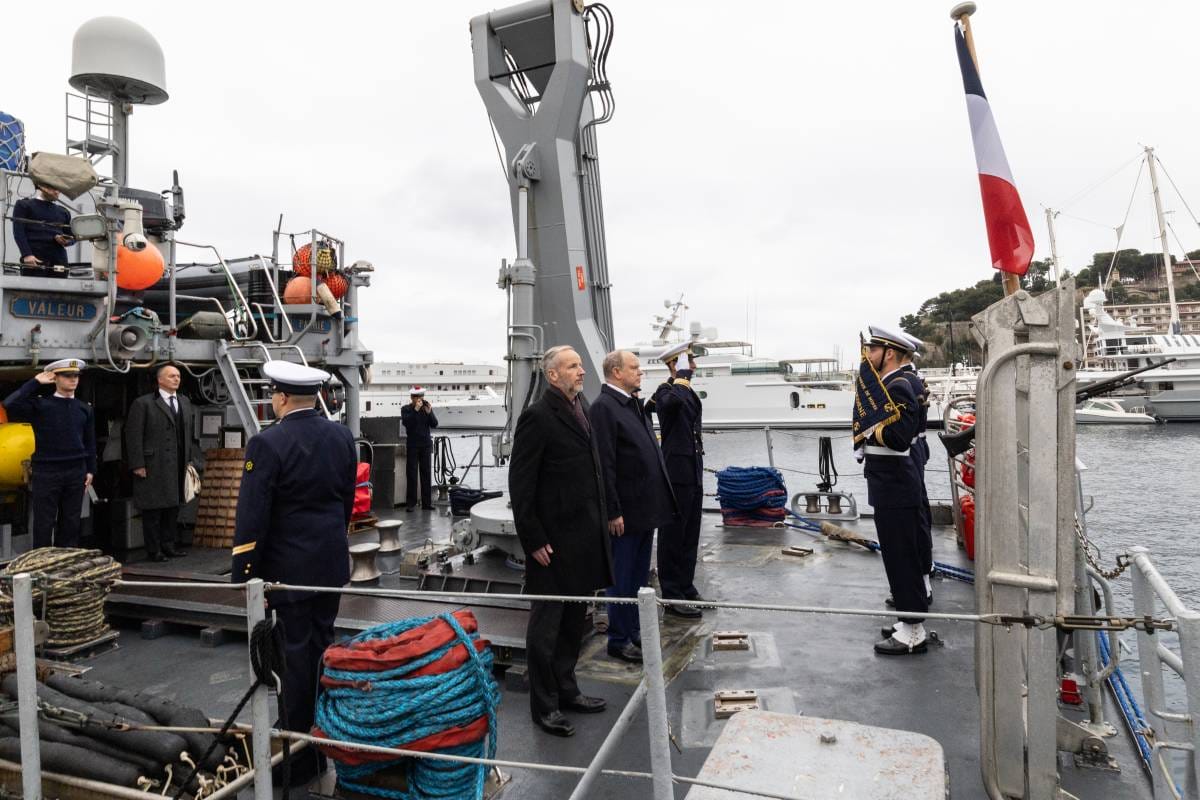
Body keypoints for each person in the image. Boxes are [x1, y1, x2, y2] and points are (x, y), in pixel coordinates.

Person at [231, 360, 357, 784]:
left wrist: (246, 574)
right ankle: (324, 748)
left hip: (287, 572)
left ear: (281, 397)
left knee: (294, 664)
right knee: (324, 652)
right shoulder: (341, 437)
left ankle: (299, 761)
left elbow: (253, 516)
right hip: (328, 566)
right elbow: (344, 502)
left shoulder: (268, 444)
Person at [509, 345, 612, 737]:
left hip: (581, 540)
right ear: (552, 375)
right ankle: (545, 706)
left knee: (574, 623)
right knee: (546, 629)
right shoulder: (537, 417)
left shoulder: (580, 408)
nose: (580, 371)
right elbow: (521, 484)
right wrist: (533, 538)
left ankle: (568, 690)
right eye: (572, 366)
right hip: (551, 545)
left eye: (580, 366)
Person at [589, 350, 676, 664]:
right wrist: (613, 510)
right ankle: (619, 638)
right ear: (615, 372)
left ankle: (636, 631)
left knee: (639, 578)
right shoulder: (604, 408)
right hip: (624, 513)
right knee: (622, 578)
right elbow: (605, 464)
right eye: (634, 368)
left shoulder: (632, 404)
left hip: (644, 509)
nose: (640, 373)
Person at [855, 326, 929, 656]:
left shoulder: (897, 387)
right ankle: (907, 619)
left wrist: (869, 429)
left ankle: (913, 630)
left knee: (901, 555)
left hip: (895, 482)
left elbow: (899, 438)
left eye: (871, 350)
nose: (866, 355)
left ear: (888, 353)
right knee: (898, 552)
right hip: (892, 482)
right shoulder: (892, 385)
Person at [3, 359, 95, 548]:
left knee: (71, 522)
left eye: (76, 376)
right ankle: (42, 564)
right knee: (44, 522)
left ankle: (65, 562)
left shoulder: (84, 408)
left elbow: (89, 442)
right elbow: (9, 403)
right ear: (55, 378)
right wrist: (35, 382)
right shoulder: (41, 406)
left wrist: (90, 470)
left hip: (75, 470)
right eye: (68, 376)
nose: (73, 380)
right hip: (47, 470)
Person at [651, 342, 705, 618]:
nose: (693, 367)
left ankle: (686, 586)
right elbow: (670, 406)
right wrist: (680, 378)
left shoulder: (686, 391)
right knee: (673, 535)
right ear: (675, 364)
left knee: (690, 534)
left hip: (692, 470)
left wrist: (684, 381)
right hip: (675, 472)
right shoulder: (665, 391)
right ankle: (672, 594)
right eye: (689, 362)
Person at [125, 364, 198, 562]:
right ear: (160, 380)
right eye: (172, 376)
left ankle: (169, 545)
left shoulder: (183, 402)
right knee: (153, 510)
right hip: (153, 464)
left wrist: (189, 460)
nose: (176, 379)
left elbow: (187, 435)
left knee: (173, 507)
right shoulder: (144, 403)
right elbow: (133, 436)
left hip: (177, 463)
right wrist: (138, 464)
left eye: (178, 376)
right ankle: (153, 549)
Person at [897, 333, 934, 604]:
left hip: (909, 451)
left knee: (914, 514)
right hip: (917, 447)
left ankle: (923, 574)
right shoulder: (914, 379)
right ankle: (926, 568)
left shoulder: (904, 382)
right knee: (918, 509)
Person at [12, 184, 72, 273]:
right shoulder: (24, 205)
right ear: (43, 187)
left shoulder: (63, 211)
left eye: (59, 189)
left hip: (59, 262)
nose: (57, 192)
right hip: (34, 260)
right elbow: (19, 232)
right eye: (53, 188)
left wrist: (66, 241)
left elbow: (72, 236)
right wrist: (27, 254)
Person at [400, 386, 438, 511]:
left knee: (426, 473)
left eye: (421, 396)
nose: (419, 399)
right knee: (411, 474)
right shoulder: (406, 409)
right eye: (416, 396)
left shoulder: (426, 408)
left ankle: (427, 503)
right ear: (412, 397)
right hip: (413, 445)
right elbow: (407, 423)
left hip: (425, 445)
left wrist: (429, 413)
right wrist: (415, 410)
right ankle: (411, 503)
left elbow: (435, 424)